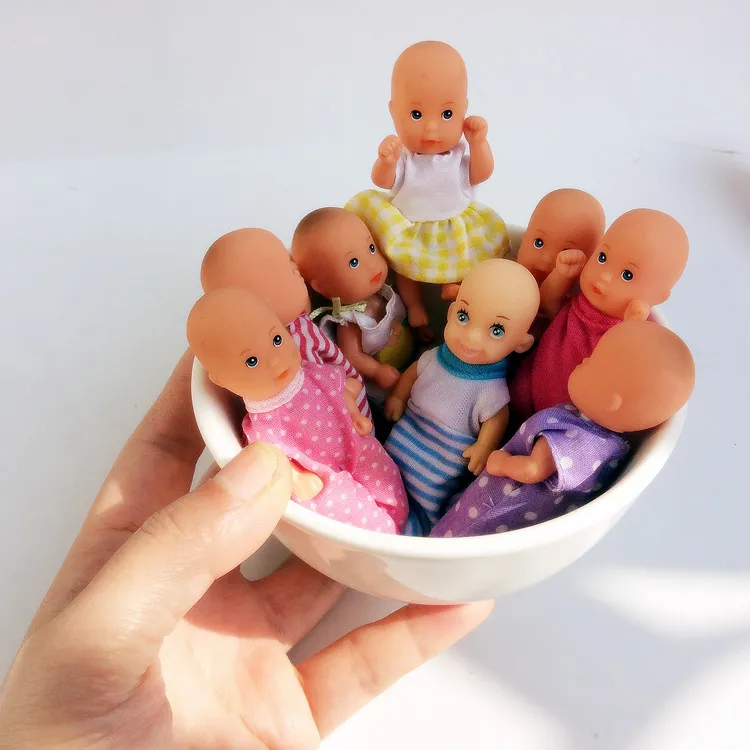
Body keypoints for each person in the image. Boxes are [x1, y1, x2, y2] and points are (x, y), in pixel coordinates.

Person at [0, 353, 492, 749]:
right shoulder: (263, 426)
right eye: (253, 359)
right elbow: (282, 464)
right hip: (350, 480)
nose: (274, 360)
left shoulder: (318, 372)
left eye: (276, 342)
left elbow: (349, 396)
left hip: (372, 463)